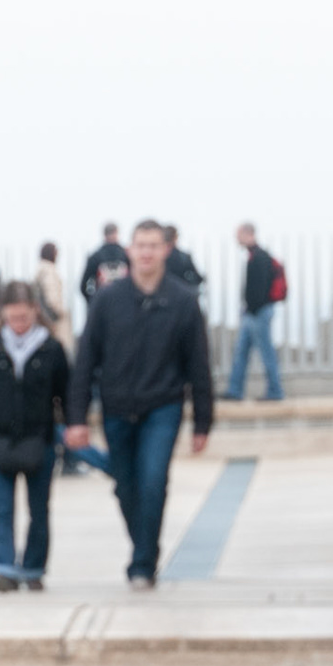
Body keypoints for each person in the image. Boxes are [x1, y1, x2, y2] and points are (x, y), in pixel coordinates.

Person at [67, 221, 215, 589]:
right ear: (130, 250)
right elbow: (86, 360)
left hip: (163, 407)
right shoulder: (107, 300)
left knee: (152, 480)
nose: (146, 252)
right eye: (140, 245)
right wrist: (77, 417)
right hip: (117, 407)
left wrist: (203, 422)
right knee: (126, 486)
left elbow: (198, 365)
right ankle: (144, 547)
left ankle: (143, 563)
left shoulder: (183, 301)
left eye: (153, 245)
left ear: (166, 250)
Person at [0, 282, 70, 591]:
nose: (19, 323)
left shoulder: (51, 349)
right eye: (13, 318)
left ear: (35, 311)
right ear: (3, 314)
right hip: (0, 438)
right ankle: (3, 568)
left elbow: (65, 392)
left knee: (39, 509)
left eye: (24, 317)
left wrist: (66, 425)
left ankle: (33, 568)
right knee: (2, 509)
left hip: (40, 439)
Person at [224, 222, 285, 401]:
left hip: (258, 313)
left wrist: (251, 309)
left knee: (266, 353)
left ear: (247, 234)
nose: (236, 238)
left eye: (238, 234)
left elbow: (259, 289)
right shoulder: (254, 256)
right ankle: (235, 390)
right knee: (241, 353)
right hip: (252, 313)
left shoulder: (260, 257)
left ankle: (275, 391)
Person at [33, 241, 74, 356]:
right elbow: (52, 299)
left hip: (44, 319)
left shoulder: (40, 270)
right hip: (54, 322)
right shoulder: (49, 271)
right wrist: (61, 313)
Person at [81, 221, 131, 302]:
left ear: (104, 235)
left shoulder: (95, 257)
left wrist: (93, 301)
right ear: (117, 233)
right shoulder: (127, 255)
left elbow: (83, 286)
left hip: (103, 302)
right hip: (125, 302)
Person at [165, 224, 206, 294]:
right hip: (181, 293)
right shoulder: (183, 257)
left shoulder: (159, 258)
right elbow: (198, 277)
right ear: (175, 237)